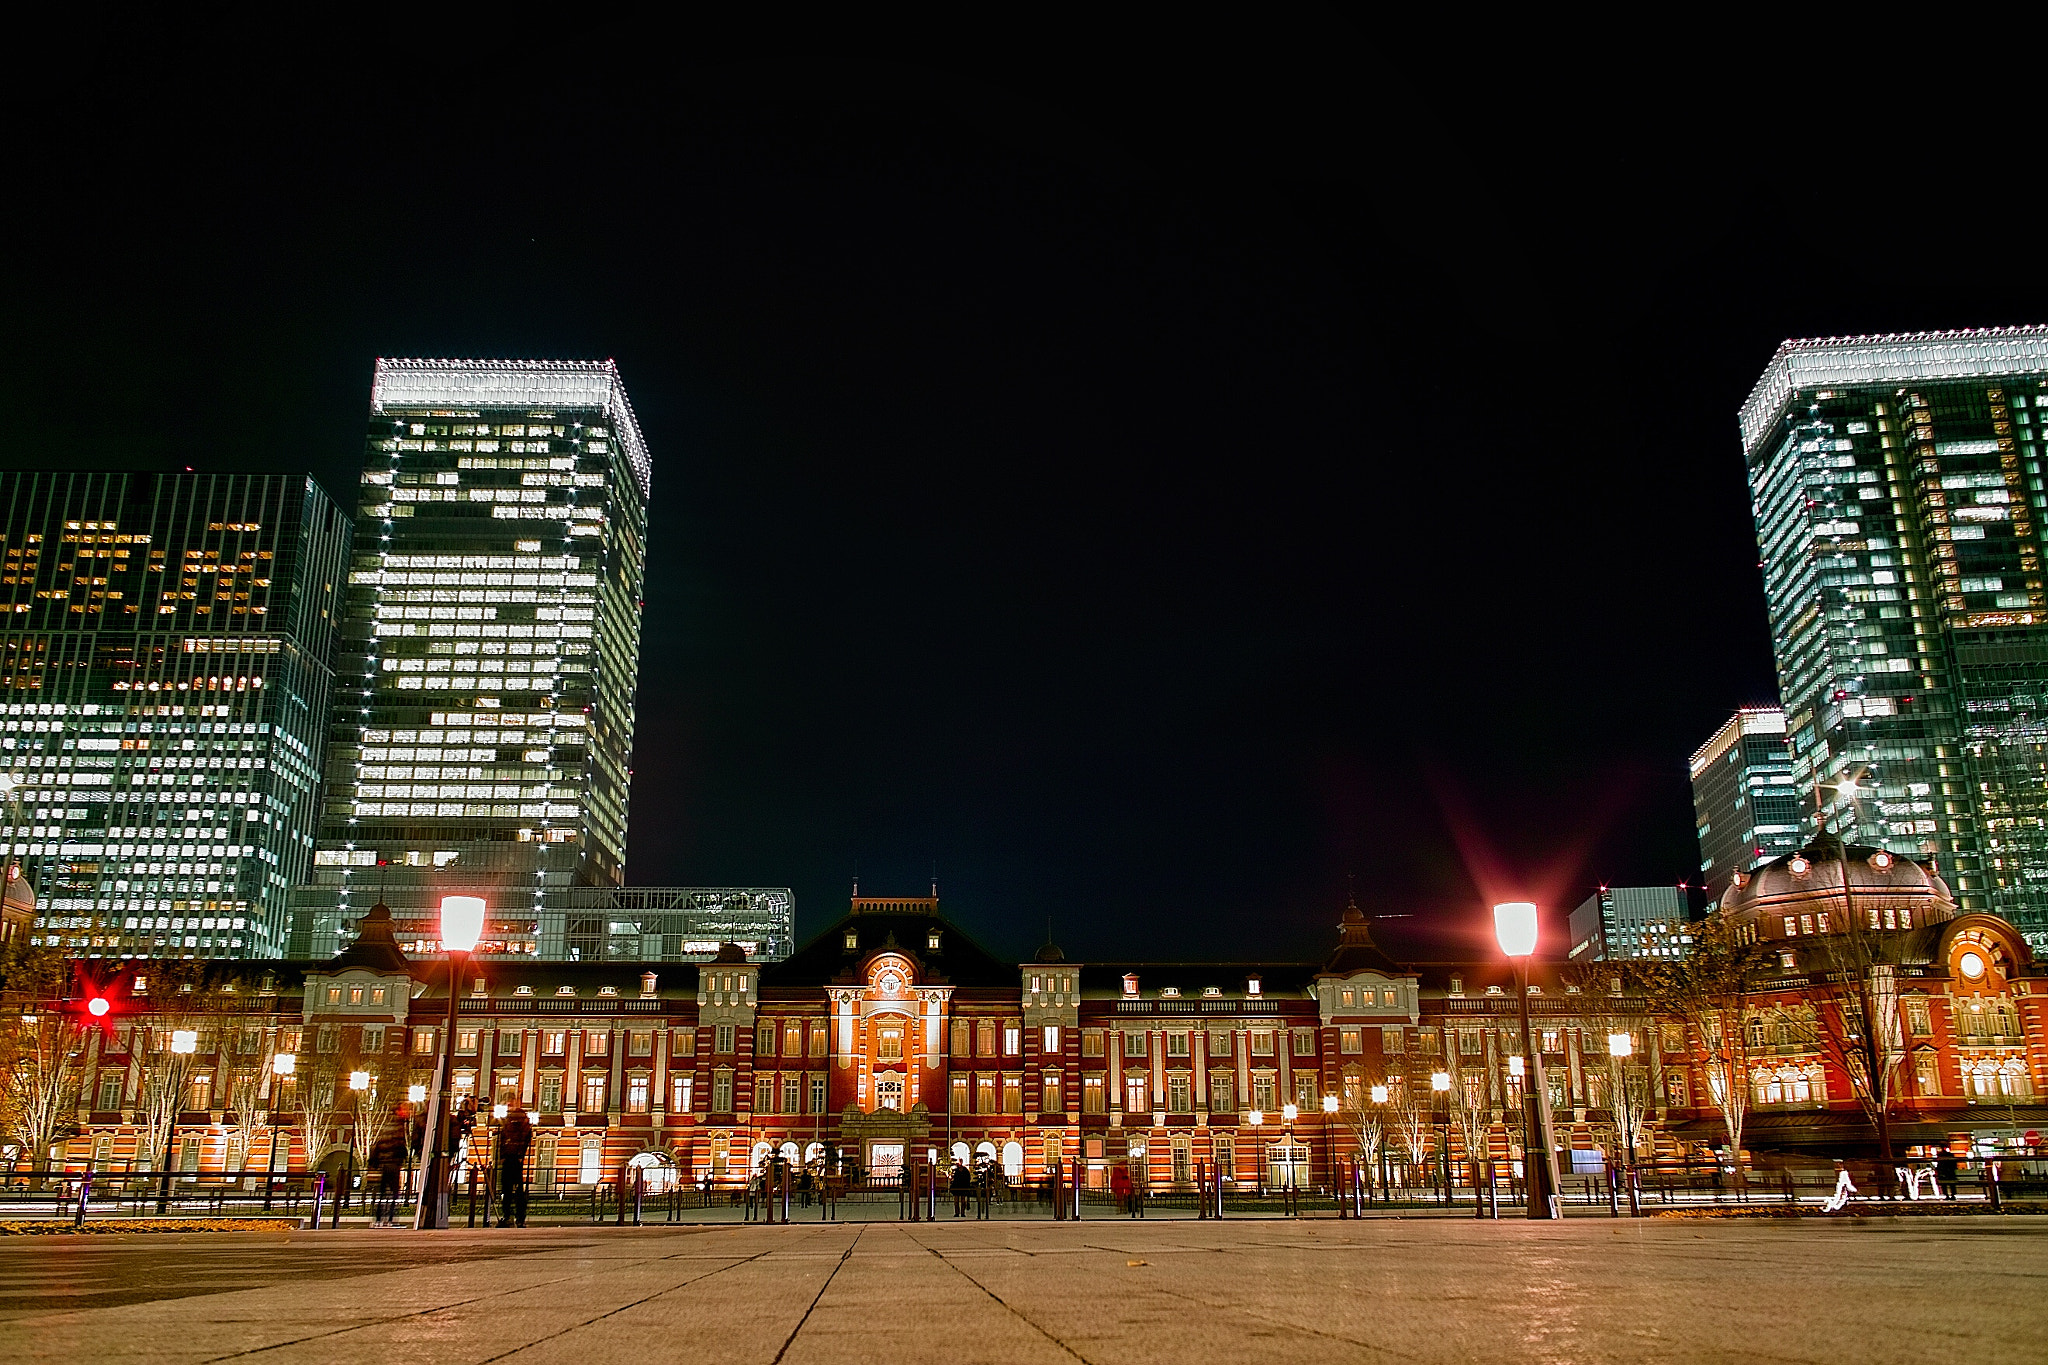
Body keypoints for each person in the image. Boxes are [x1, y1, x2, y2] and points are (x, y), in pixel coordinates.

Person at [496, 1098, 533, 1228]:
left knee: (511, 1189)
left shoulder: (517, 1119)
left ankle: (510, 1217)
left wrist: (517, 1154)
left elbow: (521, 1136)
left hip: (513, 1157)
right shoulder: (518, 1119)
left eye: (510, 1103)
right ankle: (516, 1218)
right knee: (513, 1189)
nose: (508, 1105)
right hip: (513, 1157)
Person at [369, 1117, 407, 1227]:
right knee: (394, 1194)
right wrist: (401, 1160)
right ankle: (391, 1219)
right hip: (393, 1166)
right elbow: (402, 1150)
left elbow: (377, 1149)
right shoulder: (398, 1134)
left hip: (384, 1166)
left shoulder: (383, 1134)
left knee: (382, 1194)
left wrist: (376, 1163)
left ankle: (378, 1219)